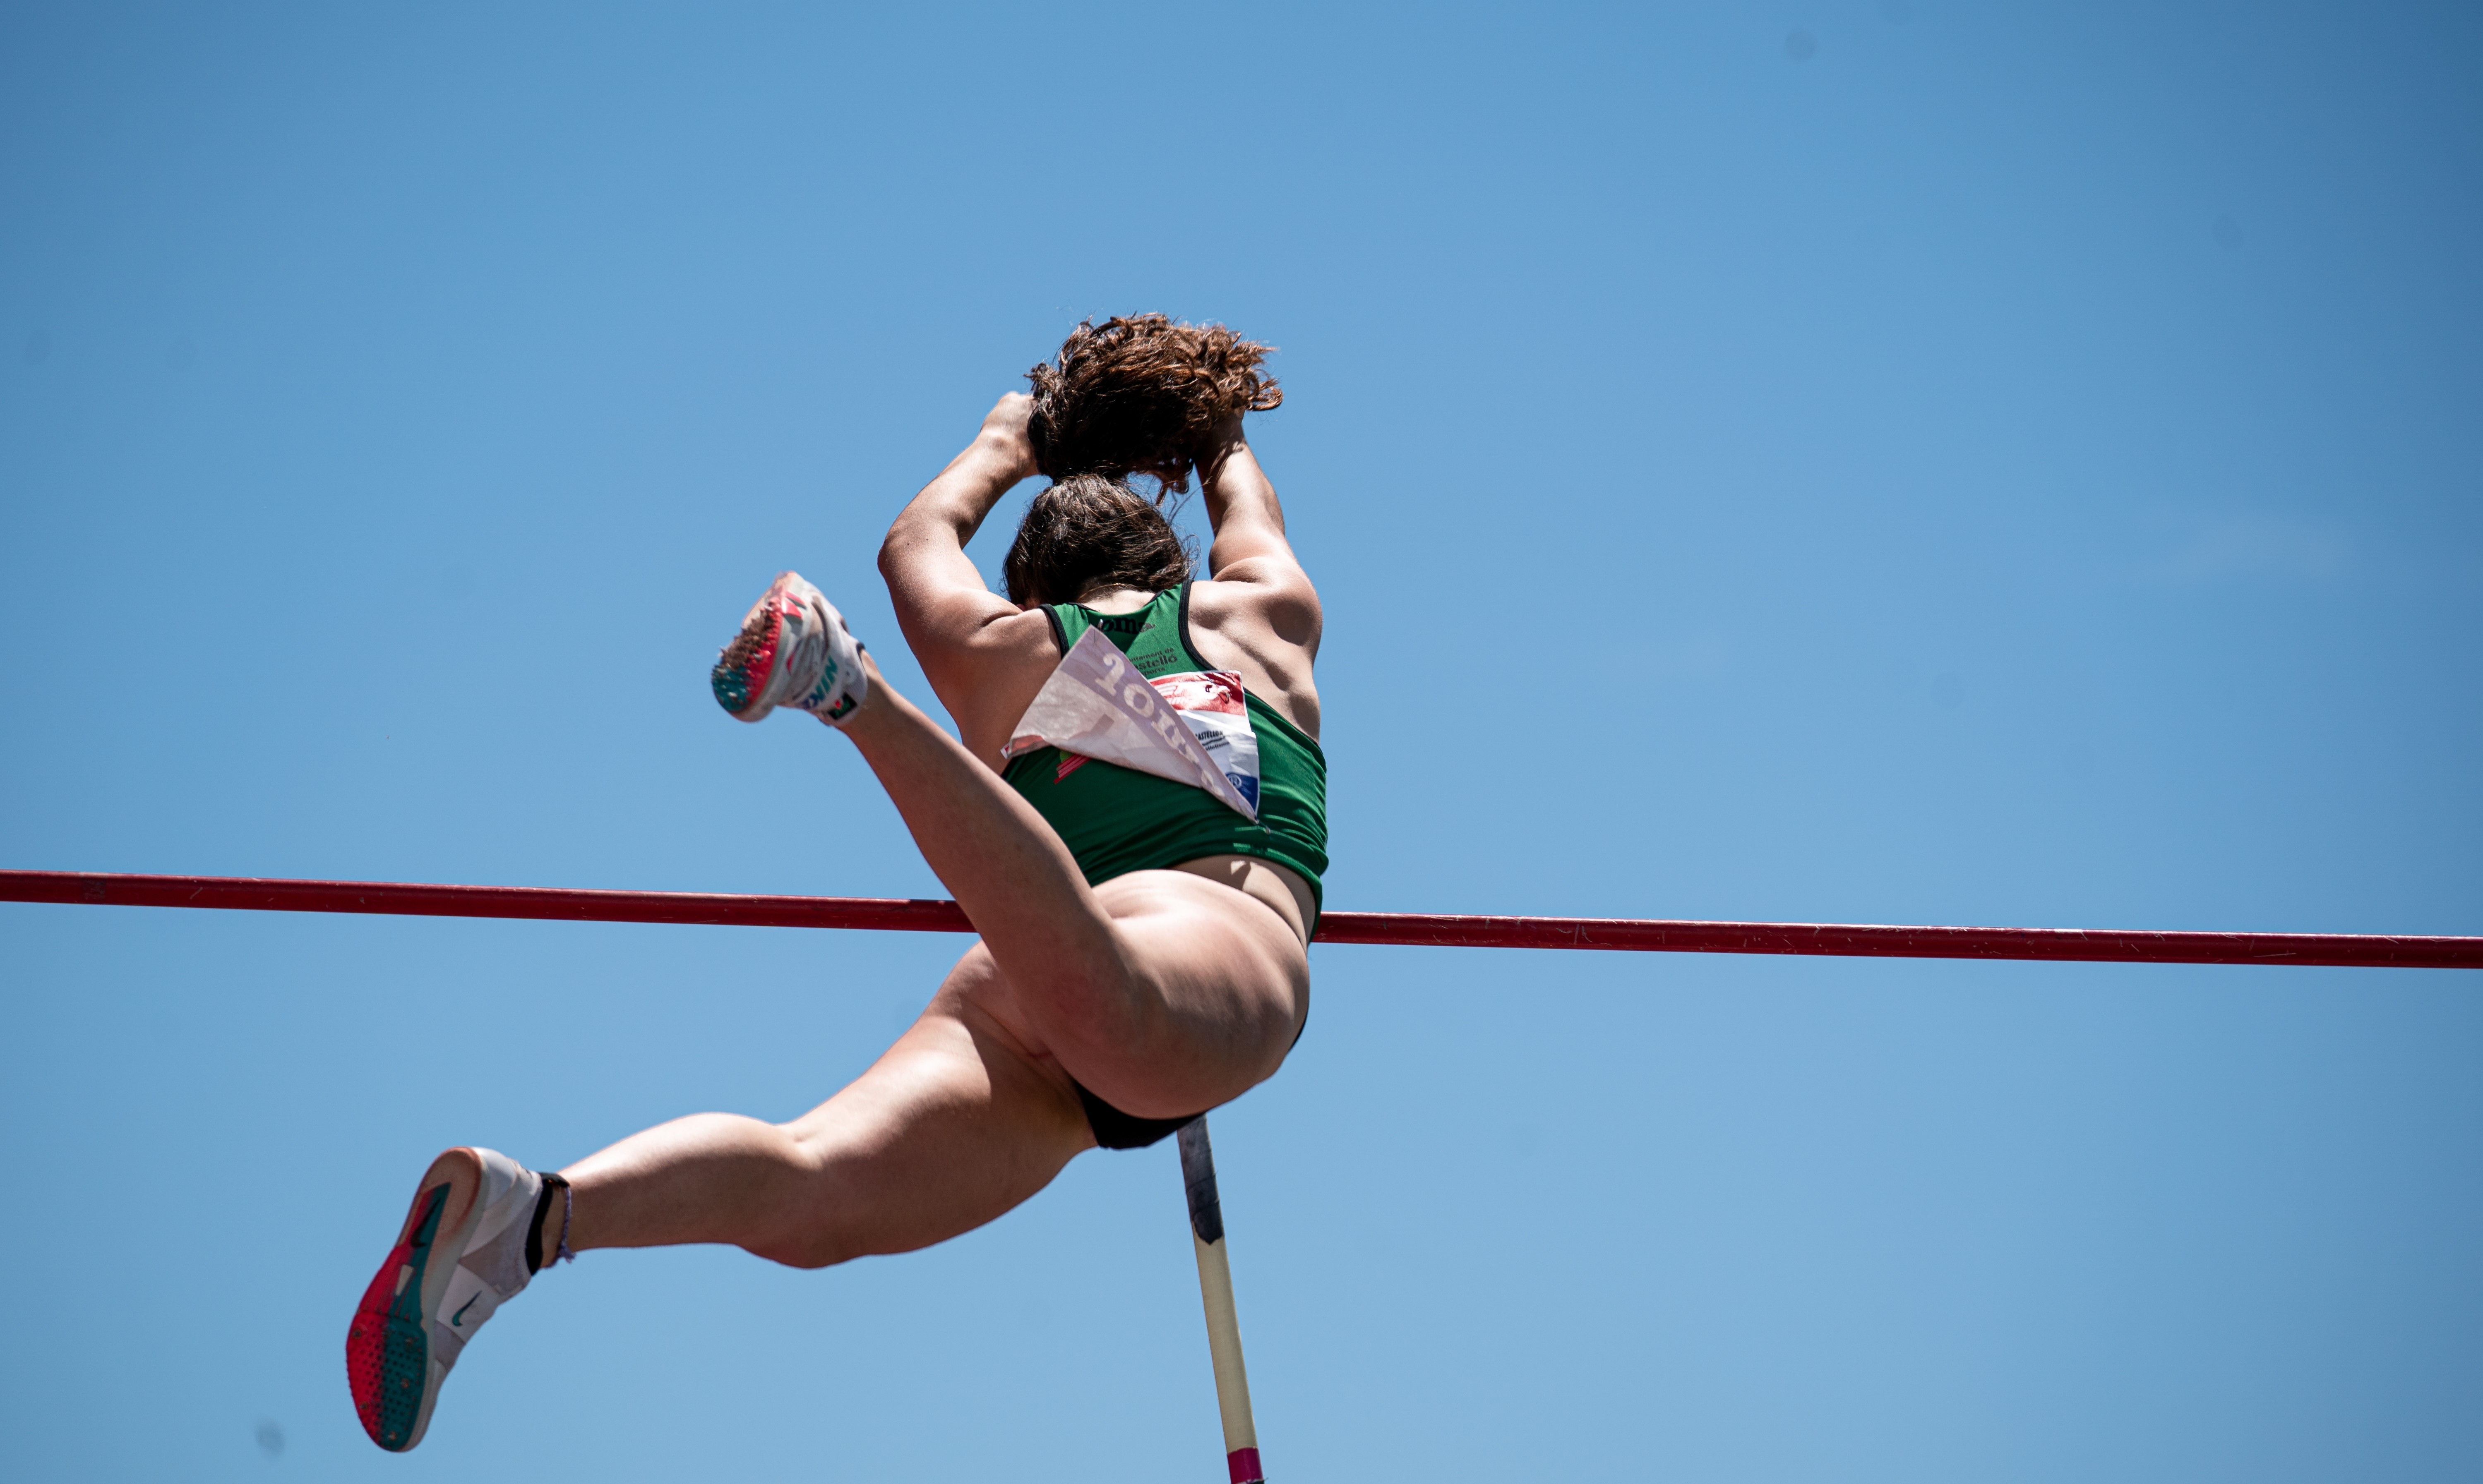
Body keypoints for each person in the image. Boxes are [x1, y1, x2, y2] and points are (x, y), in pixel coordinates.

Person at [346, 315, 1328, 1452]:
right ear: (1167, 561)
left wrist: (1007, 437)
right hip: (1186, 948)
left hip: (1032, 984)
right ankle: (847, 690)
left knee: (814, 1197)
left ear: (1029, 586)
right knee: (1123, 1015)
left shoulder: (998, 651)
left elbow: (916, 543)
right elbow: (1243, 492)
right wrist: (1212, 429)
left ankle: (529, 1220)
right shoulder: (1261, 618)